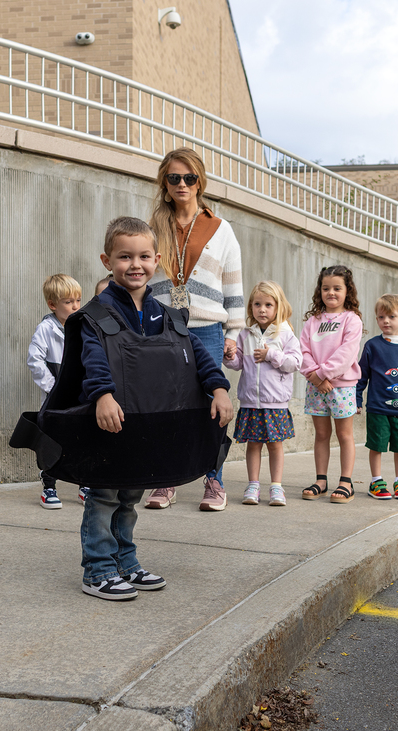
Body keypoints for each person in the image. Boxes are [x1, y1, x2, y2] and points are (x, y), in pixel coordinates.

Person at [79, 216, 232, 599]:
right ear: (106, 260)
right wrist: (102, 396)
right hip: (111, 417)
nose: (135, 264)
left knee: (130, 494)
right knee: (104, 495)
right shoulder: (96, 314)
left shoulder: (165, 314)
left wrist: (218, 388)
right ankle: (98, 570)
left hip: (143, 420)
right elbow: (93, 358)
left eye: (144, 256)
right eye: (124, 256)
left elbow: (196, 353)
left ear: (157, 260)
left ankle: (125, 563)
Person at [146, 147, 244, 511]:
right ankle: (165, 481)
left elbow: (233, 287)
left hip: (206, 328)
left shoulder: (221, 229)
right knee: (163, 406)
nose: (182, 184)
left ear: (200, 181)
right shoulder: (153, 227)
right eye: (174, 178)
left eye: (189, 177)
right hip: (160, 327)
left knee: (211, 406)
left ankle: (214, 482)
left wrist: (233, 334)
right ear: (165, 183)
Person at [223, 281, 301, 507]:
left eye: (268, 304)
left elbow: (294, 363)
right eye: (257, 304)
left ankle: (276, 486)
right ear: (250, 307)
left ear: (278, 307)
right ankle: (253, 484)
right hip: (250, 401)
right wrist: (229, 356)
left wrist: (271, 355)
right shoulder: (245, 334)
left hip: (275, 403)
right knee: (254, 444)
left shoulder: (285, 334)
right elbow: (238, 364)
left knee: (275, 445)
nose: (262, 309)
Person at [299, 265, 363, 504]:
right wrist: (315, 377)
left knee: (344, 434)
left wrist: (323, 375)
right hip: (315, 385)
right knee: (321, 434)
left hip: (342, 386)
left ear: (348, 291)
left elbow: (346, 354)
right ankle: (321, 480)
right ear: (320, 291)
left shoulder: (351, 320)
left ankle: (346, 481)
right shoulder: (313, 321)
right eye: (326, 288)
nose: (331, 293)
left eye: (337, 288)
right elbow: (303, 350)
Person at [355, 294, 398, 500]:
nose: (385, 321)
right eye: (381, 317)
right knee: (376, 445)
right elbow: (361, 376)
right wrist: (357, 400)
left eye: (391, 317)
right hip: (377, 408)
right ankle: (376, 480)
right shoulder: (372, 346)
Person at [27, 273, 86, 508]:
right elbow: (35, 360)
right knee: (52, 440)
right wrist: (53, 387)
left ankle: (85, 483)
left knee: (82, 438)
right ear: (53, 305)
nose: (75, 306)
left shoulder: (83, 327)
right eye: (69, 301)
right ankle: (49, 486)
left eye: (78, 300)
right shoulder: (46, 329)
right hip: (55, 395)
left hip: (80, 395)